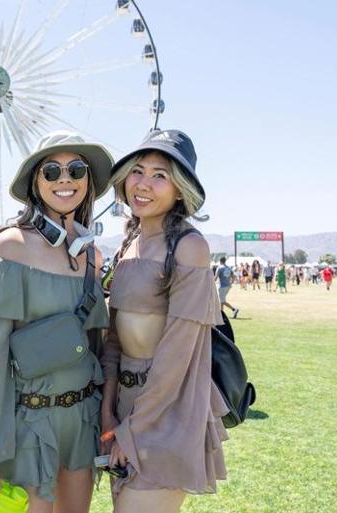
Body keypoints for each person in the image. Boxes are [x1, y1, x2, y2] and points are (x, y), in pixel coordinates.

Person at [0, 131, 112, 513]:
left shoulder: (93, 257)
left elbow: (96, 349)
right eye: (52, 171)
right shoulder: (10, 247)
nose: (65, 179)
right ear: (36, 182)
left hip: (83, 420)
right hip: (31, 424)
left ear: (88, 181)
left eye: (76, 169)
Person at [100, 130, 228, 513]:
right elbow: (113, 342)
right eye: (137, 171)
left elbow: (176, 356)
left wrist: (133, 428)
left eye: (160, 175)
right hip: (124, 407)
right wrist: (108, 413)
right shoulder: (128, 245)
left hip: (169, 410)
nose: (143, 184)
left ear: (180, 190)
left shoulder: (190, 247)